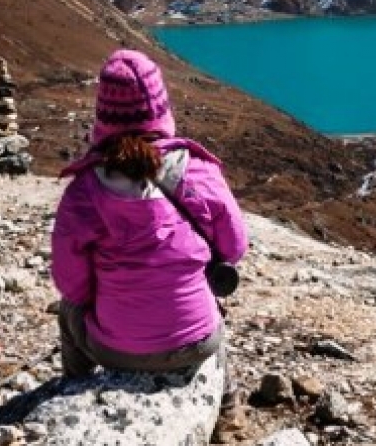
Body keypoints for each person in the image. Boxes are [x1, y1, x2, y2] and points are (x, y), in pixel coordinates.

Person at [51, 49, 248, 380]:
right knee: (209, 304)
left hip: (114, 349)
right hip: (197, 343)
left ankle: (75, 386)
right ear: (160, 109)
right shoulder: (199, 173)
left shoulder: (83, 192)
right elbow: (234, 248)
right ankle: (228, 411)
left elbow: (72, 285)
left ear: (103, 115)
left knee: (68, 311)